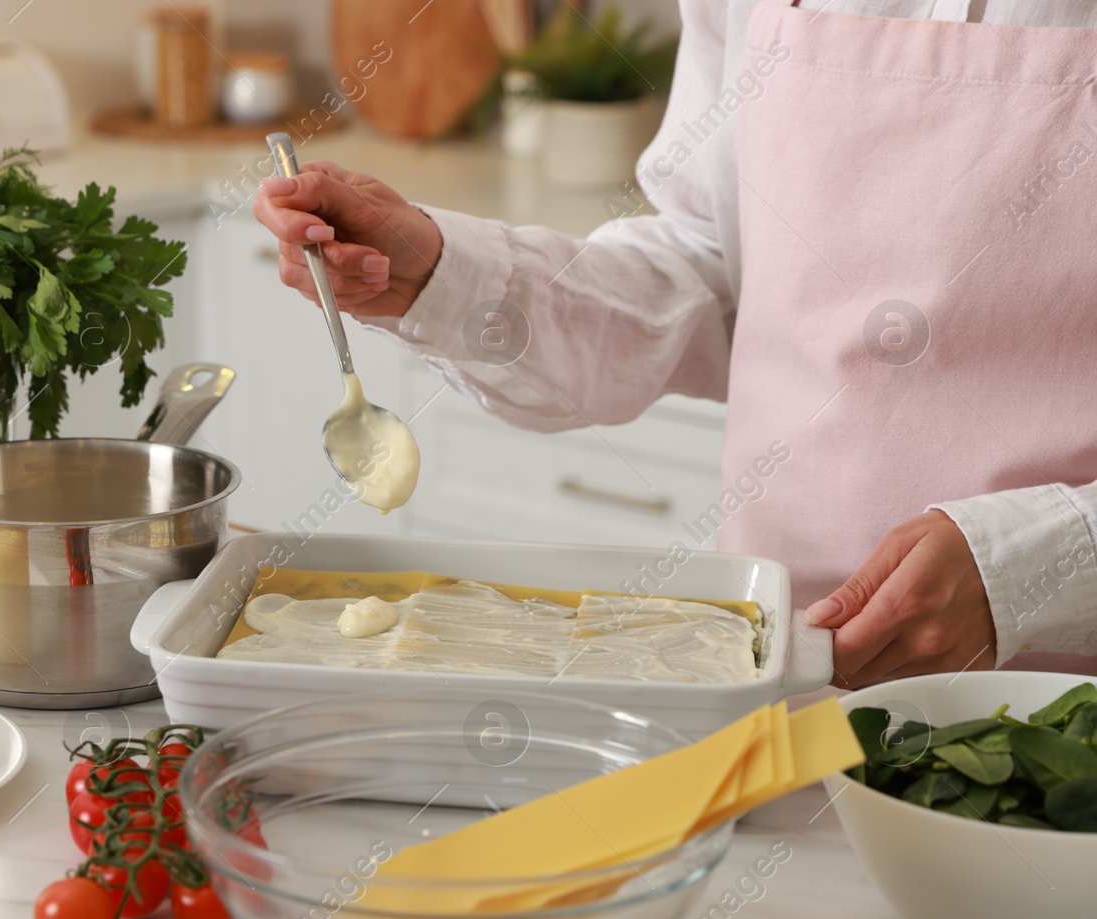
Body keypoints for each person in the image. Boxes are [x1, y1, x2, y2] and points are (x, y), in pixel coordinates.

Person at [254, 0, 1097, 688]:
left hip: (1059, 729)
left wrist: (1032, 565)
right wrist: (443, 273)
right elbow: (711, 265)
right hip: (775, 679)